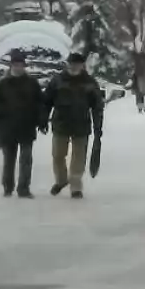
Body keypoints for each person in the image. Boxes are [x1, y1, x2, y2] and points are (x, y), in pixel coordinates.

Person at [43, 52, 104, 199]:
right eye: (72, 63)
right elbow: (46, 102)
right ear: (67, 64)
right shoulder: (57, 81)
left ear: (82, 65)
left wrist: (98, 127)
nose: (74, 66)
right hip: (60, 123)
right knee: (58, 155)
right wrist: (42, 119)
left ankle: (76, 186)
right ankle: (61, 180)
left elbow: (97, 107)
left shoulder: (89, 82)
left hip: (81, 124)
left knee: (79, 157)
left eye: (77, 64)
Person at [0, 50, 45, 198]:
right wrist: (2, 114)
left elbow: (40, 103)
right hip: (8, 128)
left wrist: (40, 119)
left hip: (27, 127)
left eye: (20, 65)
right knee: (9, 160)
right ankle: (8, 187)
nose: (18, 67)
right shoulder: (2, 84)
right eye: (15, 64)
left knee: (26, 159)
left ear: (24, 66)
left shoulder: (32, 83)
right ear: (11, 65)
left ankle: (24, 188)